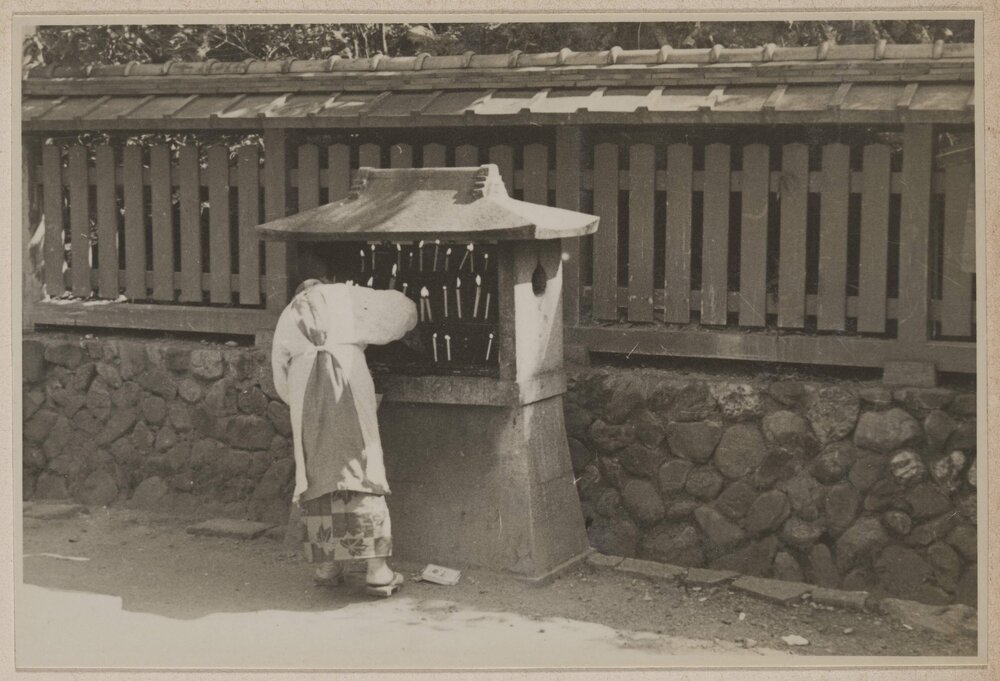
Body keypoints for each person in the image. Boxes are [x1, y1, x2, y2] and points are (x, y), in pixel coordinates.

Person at [271, 243, 417, 597]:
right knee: (360, 463)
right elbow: (400, 312)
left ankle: (327, 564)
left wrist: (302, 404)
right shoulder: (344, 296)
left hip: (305, 392)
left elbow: (279, 374)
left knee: (318, 471)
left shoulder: (288, 313)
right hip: (348, 383)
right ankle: (377, 570)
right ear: (329, 277)